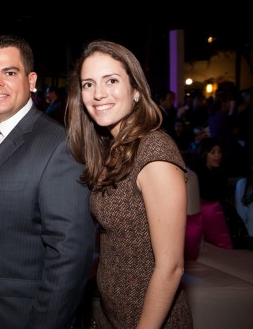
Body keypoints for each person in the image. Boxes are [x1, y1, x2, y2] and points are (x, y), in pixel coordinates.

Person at [0, 34, 94, 328]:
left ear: (31, 80)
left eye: (9, 72)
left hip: (14, 316)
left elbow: (69, 256)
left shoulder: (58, 145)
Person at [66, 40, 192, 328]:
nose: (98, 94)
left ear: (136, 89)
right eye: (88, 84)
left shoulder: (154, 152)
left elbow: (171, 267)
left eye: (111, 80)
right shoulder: (113, 147)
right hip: (112, 315)